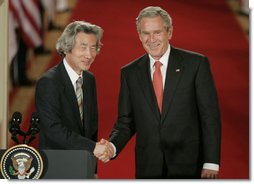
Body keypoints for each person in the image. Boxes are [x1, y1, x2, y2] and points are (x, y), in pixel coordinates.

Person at [98, 6, 221, 179]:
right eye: (146, 33)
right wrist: (112, 146)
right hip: (148, 166)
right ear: (139, 35)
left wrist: (211, 162)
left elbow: (210, 117)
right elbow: (125, 122)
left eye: (157, 32)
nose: (151, 39)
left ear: (169, 32)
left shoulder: (196, 64)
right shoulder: (129, 73)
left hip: (189, 164)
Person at [35, 21, 110, 172]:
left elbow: (91, 129)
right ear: (67, 47)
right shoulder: (49, 82)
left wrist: (92, 169)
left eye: (93, 48)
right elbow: (54, 130)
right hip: (56, 166)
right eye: (83, 47)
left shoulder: (89, 79)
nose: (89, 55)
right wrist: (93, 147)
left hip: (83, 164)